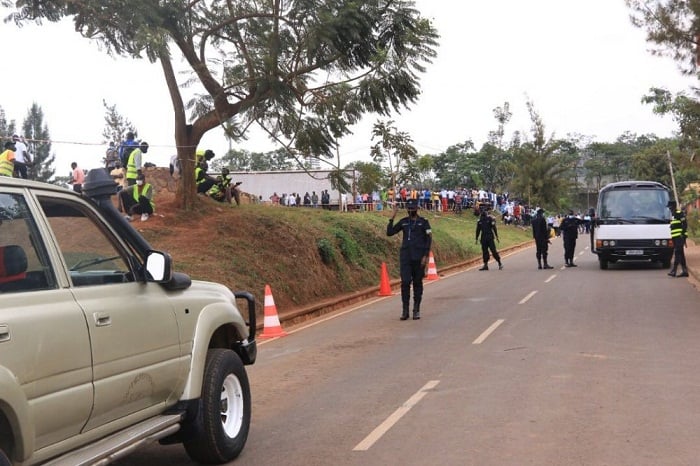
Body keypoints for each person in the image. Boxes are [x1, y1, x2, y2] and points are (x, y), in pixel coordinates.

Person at [387, 198, 432, 320]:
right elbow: (389, 232)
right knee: (405, 282)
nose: (410, 210)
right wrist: (392, 216)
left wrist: (426, 256)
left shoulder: (424, 222)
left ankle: (416, 309)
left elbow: (429, 239)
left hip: (419, 258)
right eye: (409, 208)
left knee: (417, 283)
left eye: (413, 208)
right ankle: (405, 310)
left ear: (417, 209)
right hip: (406, 257)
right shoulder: (404, 222)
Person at [668, 209, 689, 277]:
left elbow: (685, 223)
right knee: (681, 253)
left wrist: (682, 234)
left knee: (677, 252)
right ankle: (685, 271)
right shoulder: (672, 215)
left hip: (680, 237)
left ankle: (674, 270)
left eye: (671, 207)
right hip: (675, 237)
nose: (670, 209)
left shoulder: (679, 213)